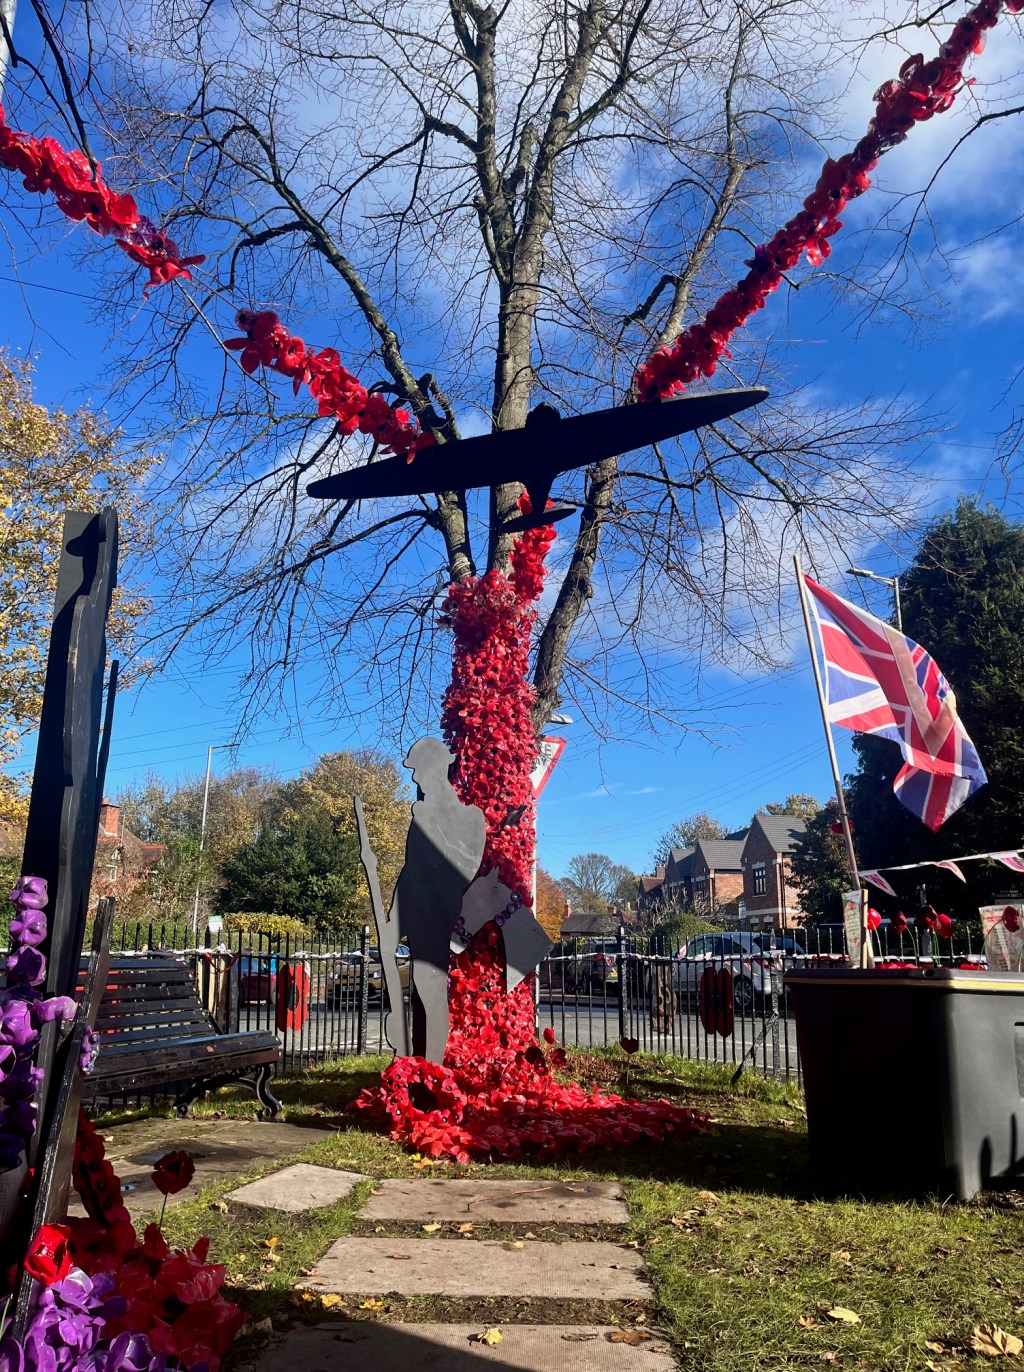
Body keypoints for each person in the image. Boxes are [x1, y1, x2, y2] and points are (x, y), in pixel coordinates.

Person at [389, 737, 485, 1062]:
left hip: (446, 919)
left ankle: (432, 1069)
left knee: (433, 994)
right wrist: (392, 923)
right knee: (421, 991)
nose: (415, 779)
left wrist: (432, 826)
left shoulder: (469, 818)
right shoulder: (421, 817)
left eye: (419, 771)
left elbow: (464, 869)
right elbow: (409, 871)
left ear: (439, 769)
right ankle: (419, 1068)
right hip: (418, 919)